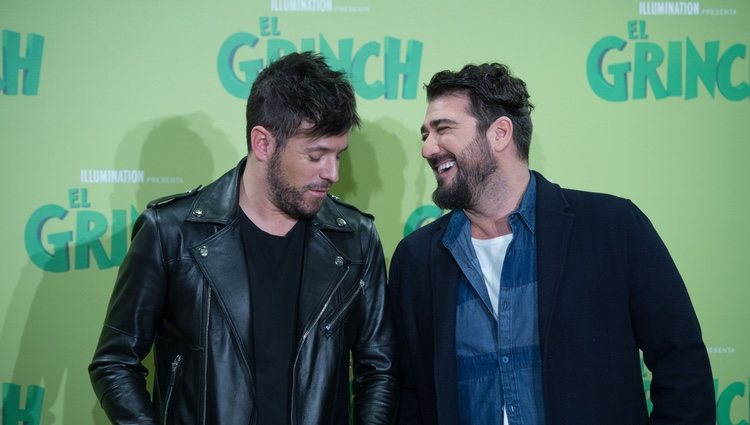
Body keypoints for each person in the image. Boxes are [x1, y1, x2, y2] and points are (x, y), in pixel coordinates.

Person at [388, 62, 715, 425]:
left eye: (443, 129)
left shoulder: (612, 228)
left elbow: (681, 363)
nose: (428, 148)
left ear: (499, 134)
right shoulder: (416, 258)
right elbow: (410, 394)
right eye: (424, 134)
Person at [89, 52, 397, 425]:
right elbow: (115, 361)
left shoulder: (355, 240)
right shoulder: (171, 232)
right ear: (263, 143)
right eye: (316, 155)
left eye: (338, 155)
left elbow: (379, 370)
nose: (332, 172)